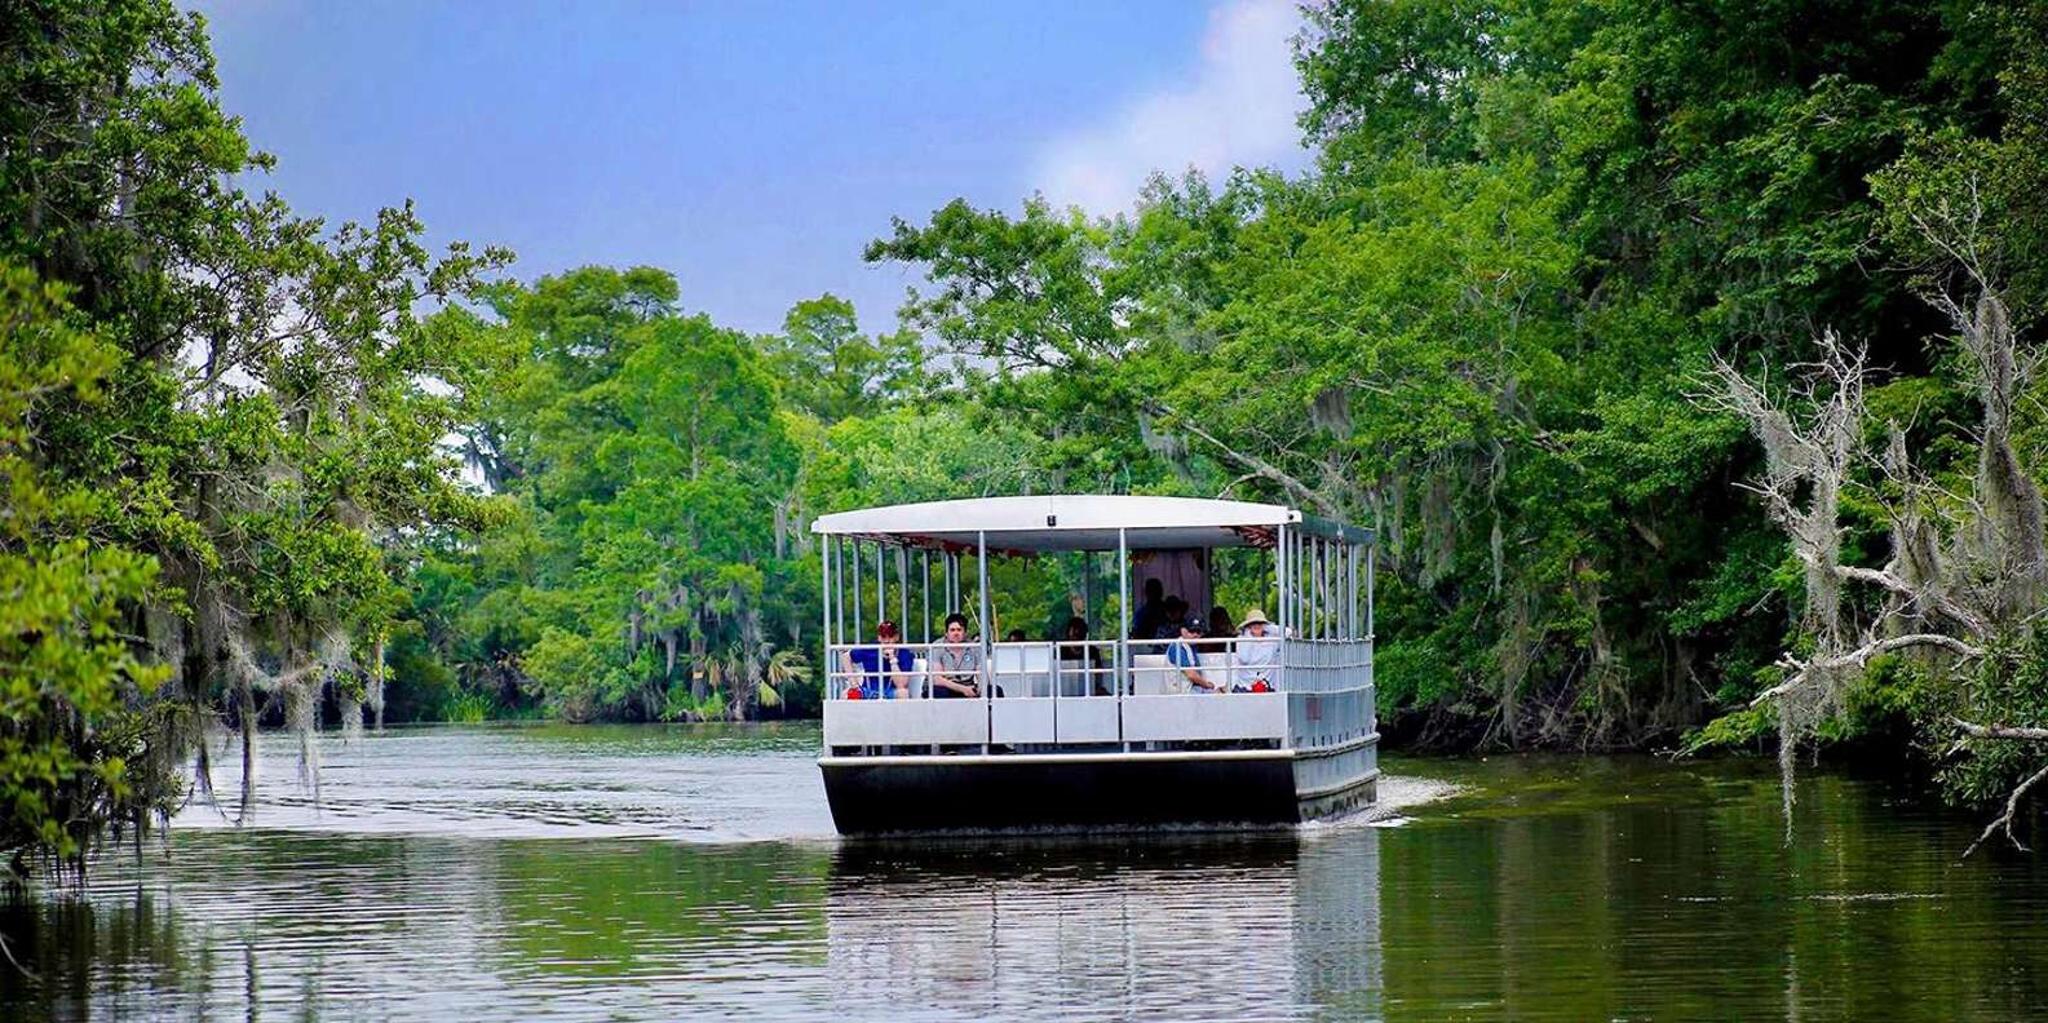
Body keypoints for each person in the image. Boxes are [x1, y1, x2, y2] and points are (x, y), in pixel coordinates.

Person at [843, 620, 915, 699]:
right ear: (879, 638)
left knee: (903, 693)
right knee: (846, 694)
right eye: (883, 636)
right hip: (868, 691)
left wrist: (892, 659)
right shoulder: (871, 649)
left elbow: (901, 684)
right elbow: (846, 657)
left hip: (890, 692)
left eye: (890, 636)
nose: (887, 640)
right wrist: (853, 683)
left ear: (896, 637)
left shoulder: (904, 653)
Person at [1165, 613, 1225, 693]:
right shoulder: (1178, 647)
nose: (1195, 635)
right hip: (1181, 692)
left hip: (1190, 689)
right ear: (1183, 631)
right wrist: (1207, 685)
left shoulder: (1190, 646)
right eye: (1192, 631)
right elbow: (1191, 675)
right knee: (1217, 695)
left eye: (1198, 631)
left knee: (1222, 691)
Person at [930, 612, 983, 698]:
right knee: (939, 692)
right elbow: (937, 679)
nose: (956, 633)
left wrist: (979, 689)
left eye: (959, 630)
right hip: (946, 686)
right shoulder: (937, 646)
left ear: (965, 633)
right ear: (946, 633)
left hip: (968, 685)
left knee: (995, 690)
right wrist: (963, 689)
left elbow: (982, 675)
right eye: (952, 630)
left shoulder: (974, 647)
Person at [1057, 615, 1109, 696]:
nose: (1076, 639)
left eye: (1079, 635)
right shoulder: (1061, 650)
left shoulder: (1092, 651)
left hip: (1090, 688)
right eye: (1073, 635)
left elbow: (1098, 673)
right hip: (1065, 689)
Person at [1235, 608, 1281, 692]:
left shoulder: (1272, 640)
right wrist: (1249, 636)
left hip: (1267, 687)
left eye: (1260, 623)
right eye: (1253, 623)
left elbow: (1288, 633)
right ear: (1248, 626)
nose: (1257, 625)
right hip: (1245, 687)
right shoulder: (1242, 639)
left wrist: (1268, 628)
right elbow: (1244, 658)